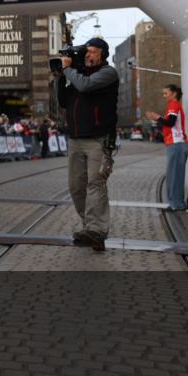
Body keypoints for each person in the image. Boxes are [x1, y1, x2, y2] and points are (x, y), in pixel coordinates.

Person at [56, 37, 118, 252]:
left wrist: (69, 71)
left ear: (102, 53)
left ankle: (97, 230)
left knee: (95, 184)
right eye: (86, 52)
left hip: (98, 139)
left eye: (92, 51)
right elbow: (63, 101)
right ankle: (89, 228)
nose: (88, 55)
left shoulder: (108, 73)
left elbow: (85, 86)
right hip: (75, 138)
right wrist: (60, 77)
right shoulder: (77, 74)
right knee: (76, 187)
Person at [146, 84, 188, 212]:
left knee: (174, 175)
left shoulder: (173, 105)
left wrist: (157, 117)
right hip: (176, 144)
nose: (164, 96)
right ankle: (175, 203)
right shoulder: (174, 105)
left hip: (177, 144)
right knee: (174, 175)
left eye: (166, 93)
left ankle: (177, 204)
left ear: (174, 93)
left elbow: (170, 122)